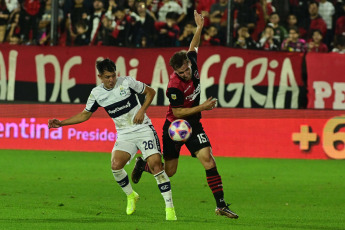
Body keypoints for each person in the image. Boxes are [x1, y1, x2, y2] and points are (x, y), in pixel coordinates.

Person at [131, 10, 239, 219]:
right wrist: (203, 107)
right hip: (175, 127)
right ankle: (142, 164)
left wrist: (199, 27)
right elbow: (178, 111)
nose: (185, 74)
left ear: (189, 64)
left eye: (186, 70)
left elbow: (194, 46)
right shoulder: (174, 86)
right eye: (180, 72)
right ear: (175, 72)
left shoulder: (192, 62)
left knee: (209, 160)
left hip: (194, 125)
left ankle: (221, 205)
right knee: (169, 171)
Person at [48, 58, 177, 221]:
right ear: (100, 77)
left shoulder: (127, 82)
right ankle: (131, 195)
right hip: (124, 133)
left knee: (157, 165)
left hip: (143, 128)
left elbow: (151, 92)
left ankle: (170, 209)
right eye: (107, 77)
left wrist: (142, 110)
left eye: (113, 76)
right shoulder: (97, 94)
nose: (111, 80)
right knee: (115, 166)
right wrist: (62, 123)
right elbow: (85, 114)